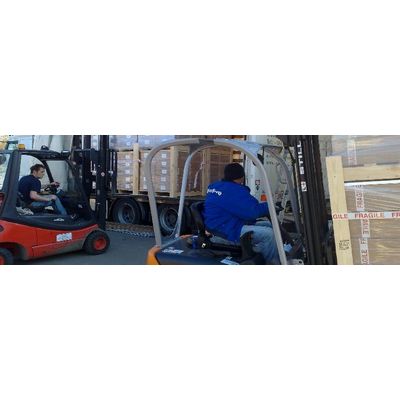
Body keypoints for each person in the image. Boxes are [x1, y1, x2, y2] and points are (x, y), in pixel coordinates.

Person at [203, 162, 279, 264]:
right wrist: (270, 206)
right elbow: (253, 212)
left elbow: (242, 209)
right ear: (242, 177)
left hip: (225, 224)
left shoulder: (217, 186)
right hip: (225, 231)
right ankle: (272, 264)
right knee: (269, 234)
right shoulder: (233, 190)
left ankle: (267, 252)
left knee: (269, 225)